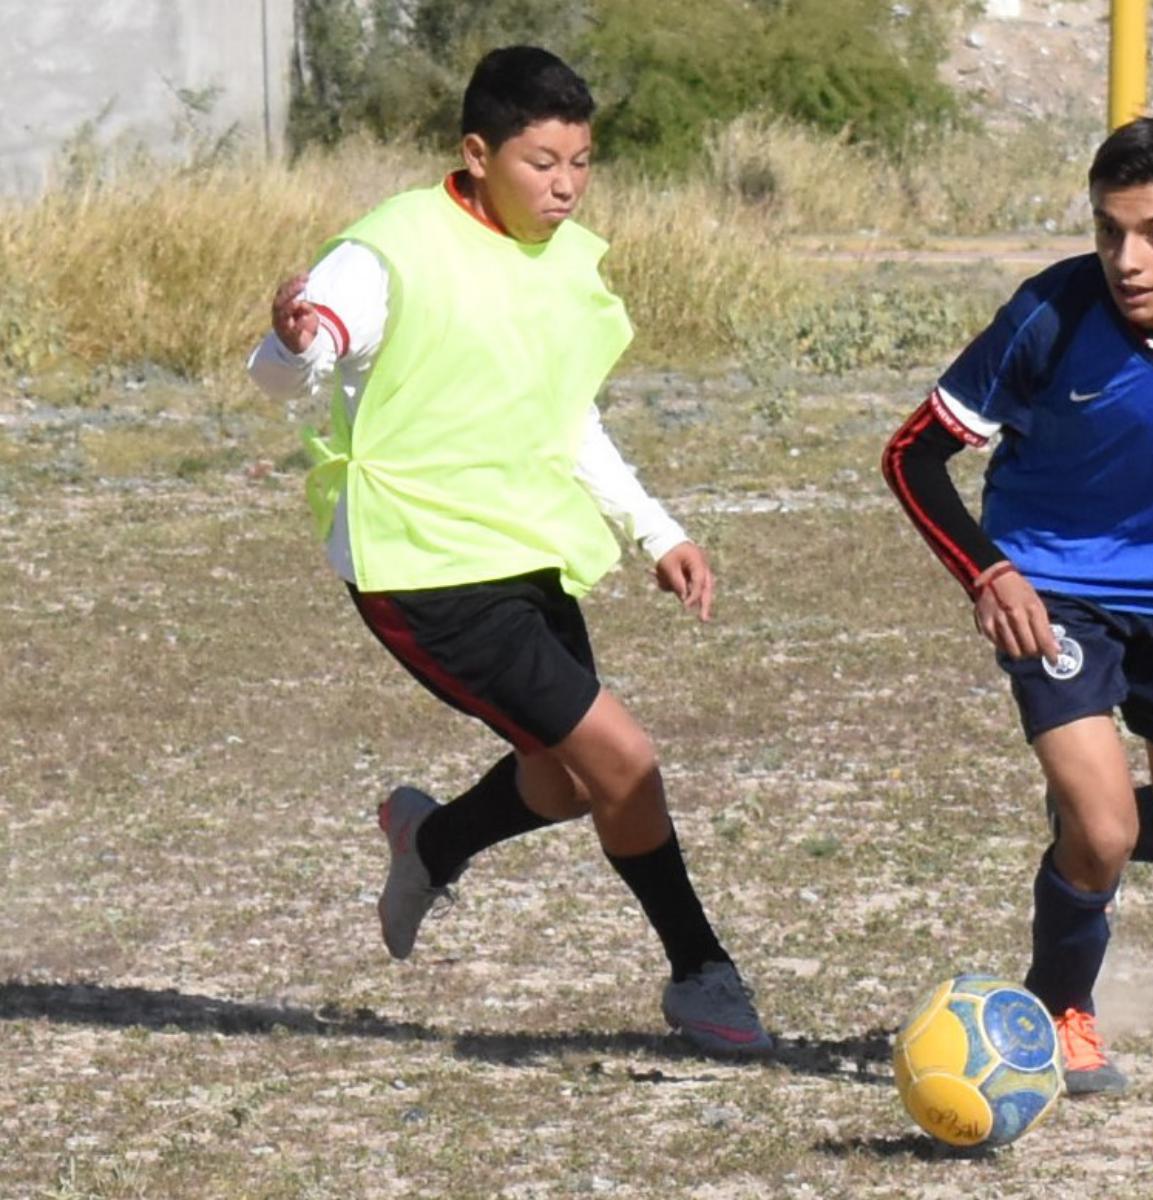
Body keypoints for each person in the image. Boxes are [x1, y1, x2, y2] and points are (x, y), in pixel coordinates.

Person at [246, 45, 770, 1057]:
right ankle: (701, 970)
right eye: (541, 162)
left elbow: (562, 414)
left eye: (580, 161)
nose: (565, 185)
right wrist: (293, 341)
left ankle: (432, 840)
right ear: (476, 153)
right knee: (622, 760)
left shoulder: (560, 256)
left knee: (570, 780)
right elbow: (296, 365)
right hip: (423, 566)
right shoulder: (390, 248)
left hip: (523, 546)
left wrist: (654, 529)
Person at [881, 117, 1153, 1094]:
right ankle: (1060, 1010)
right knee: (1109, 831)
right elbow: (909, 455)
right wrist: (989, 572)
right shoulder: (1047, 316)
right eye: (1109, 230)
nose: (1127, 258)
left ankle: (1088, 820)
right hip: (1057, 599)